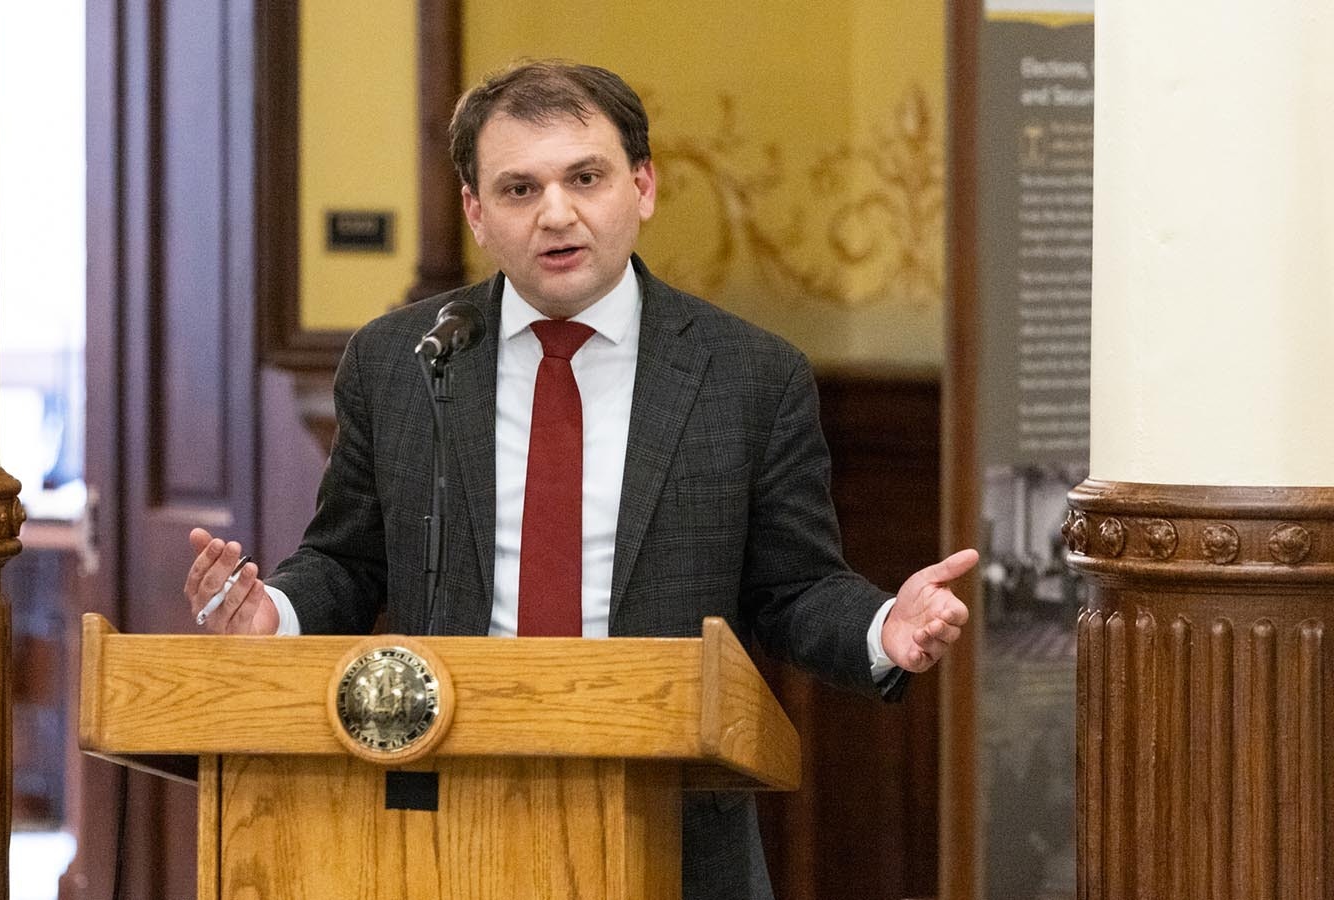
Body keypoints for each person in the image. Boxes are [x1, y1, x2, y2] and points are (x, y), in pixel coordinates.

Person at [182, 60, 975, 900]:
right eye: (519, 189)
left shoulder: (750, 374)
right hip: (440, 812)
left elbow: (794, 584)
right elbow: (348, 562)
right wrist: (277, 612)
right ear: (476, 214)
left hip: (665, 815)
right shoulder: (406, 360)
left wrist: (883, 626)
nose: (556, 214)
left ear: (642, 186)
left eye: (585, 178)